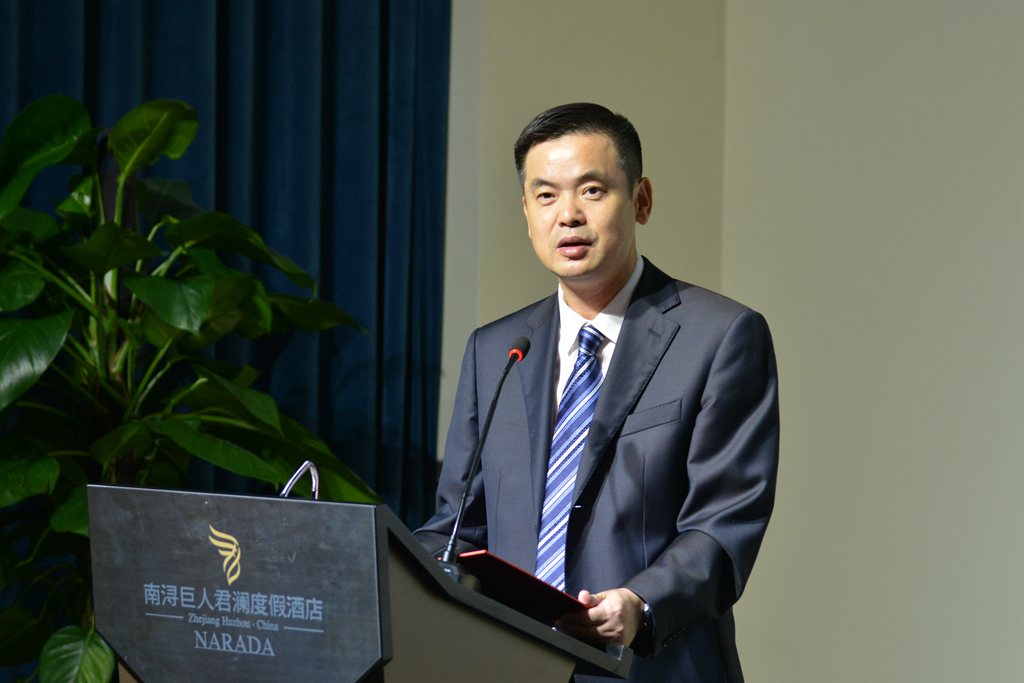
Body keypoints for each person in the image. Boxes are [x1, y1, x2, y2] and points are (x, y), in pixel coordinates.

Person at [415, 103, 779, 682]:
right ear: (527, 214)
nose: (568, 215)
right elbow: (460, 525)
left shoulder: (720, 337)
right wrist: (396, 568)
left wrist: (640, 603)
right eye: (545, 196)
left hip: (651, 667)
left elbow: (723, 523)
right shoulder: (496, 350)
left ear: (641, 200)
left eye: (591, 190)